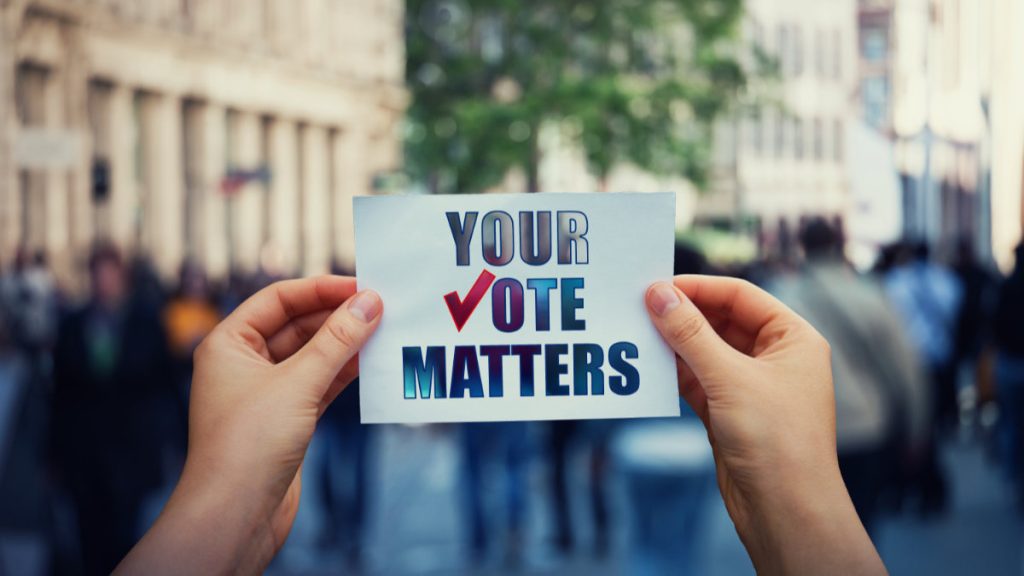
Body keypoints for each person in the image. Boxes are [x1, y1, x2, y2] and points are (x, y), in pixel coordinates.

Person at [116, 275, 886, 575]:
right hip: (503, 408)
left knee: (493, 474)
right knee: (502, 473)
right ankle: (503, 536)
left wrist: (215, 518)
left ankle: (495, 539)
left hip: (492, 408)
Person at [771, 219, 929, 534]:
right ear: (839, 245)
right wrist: (918, 428)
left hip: (807, 432)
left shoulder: (782, 298)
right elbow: (907, 367)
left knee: (816, 532)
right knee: (862, 526)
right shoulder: (870, 296)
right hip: (866, 426)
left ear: (803, 246)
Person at [51, 244, 177, 575]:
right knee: (90, 543)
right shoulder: (73, 325)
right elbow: (61, 396)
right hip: (86, 459)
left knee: (129, 541)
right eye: (97, 274)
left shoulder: (145, 322)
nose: (103, 282)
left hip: (131, 453)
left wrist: (167, 443)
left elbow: (163, 386)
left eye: (108, 274)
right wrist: (56, 455)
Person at [993, 242, 1024, 509]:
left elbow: (995, 323)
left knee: (1012, 422)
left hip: (1010, 362)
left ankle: (1013, 478)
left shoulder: (1006, 286)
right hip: (1012, 360)